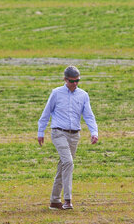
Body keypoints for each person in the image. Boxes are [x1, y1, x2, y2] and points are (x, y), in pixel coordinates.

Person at [37, 66, 99, 211]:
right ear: (65, 80)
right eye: (72, 81)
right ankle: (68, 199)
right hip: (59, 133)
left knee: (63, 166)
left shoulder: (83, 95)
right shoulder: (56, 93)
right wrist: (41, 131)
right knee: (69, 163)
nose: (75, 84)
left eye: (78, 81)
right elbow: (46, 113)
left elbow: (89, 115)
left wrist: (94, 132)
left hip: (74, 135)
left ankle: (54, 201)